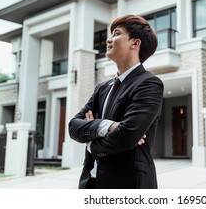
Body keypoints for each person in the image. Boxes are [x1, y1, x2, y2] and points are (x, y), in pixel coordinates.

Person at [69, 14, 164, 189]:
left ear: (135, 44)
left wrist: (90, 142)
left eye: (116, 34)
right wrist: (109, 126)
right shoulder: (101, 89)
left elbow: (127, 136)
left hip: (129, 184)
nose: (109, 40)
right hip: (90, 183)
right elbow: (73, 126)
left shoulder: (149, 84)